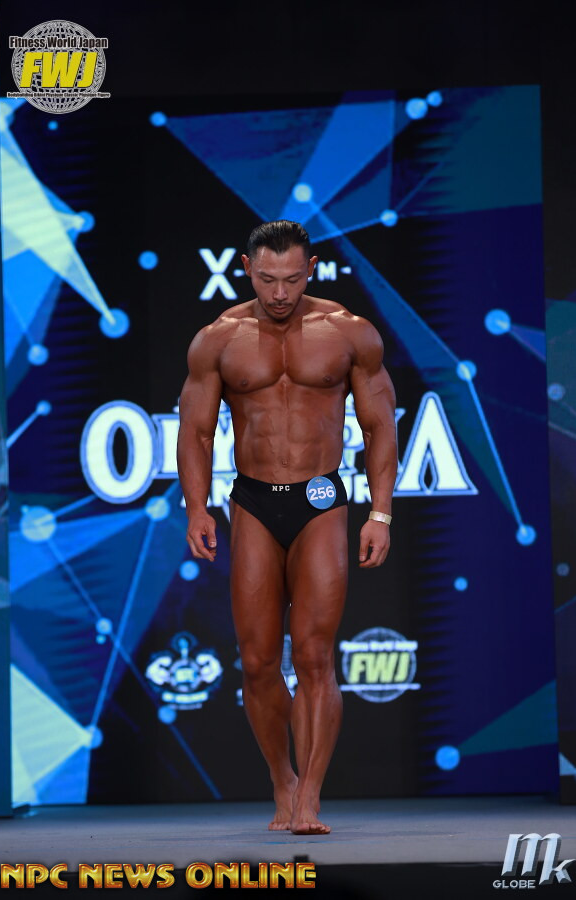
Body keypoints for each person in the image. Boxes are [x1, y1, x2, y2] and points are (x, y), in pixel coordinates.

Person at [177, 220, 397, 835]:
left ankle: (310, 799)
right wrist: (197, 508)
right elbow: (195, 432)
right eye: (269, 279)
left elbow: (380, 425)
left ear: (312, 270)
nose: (280, 293)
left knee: (315, 655)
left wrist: (381, 512)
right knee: (255, 661)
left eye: (293, 279)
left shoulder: (349, 332)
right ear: (248, 269)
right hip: (252, 501)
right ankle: (283, 779)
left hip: (320, 499)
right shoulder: (218, 339)